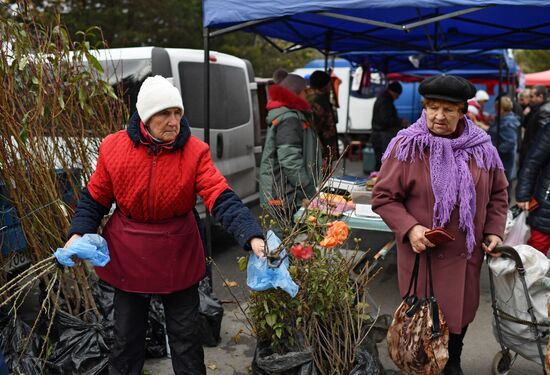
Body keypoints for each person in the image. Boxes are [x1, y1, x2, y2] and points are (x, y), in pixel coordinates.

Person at [64, 75, 265, 375]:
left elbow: (219, 196)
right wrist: (78, 233)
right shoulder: (113, 148)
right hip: (128, 253)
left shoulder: (195, 152)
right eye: (164, 114)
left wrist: (252, 236)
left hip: (177, 252)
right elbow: (95, 198)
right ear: (145, 116)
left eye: (178, 113)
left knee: (185, 339)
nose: (173, 121)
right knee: (126, 339)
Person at [372, 75, 508, 375]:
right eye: (432, 107)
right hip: (425, 258)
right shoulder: (407, 147)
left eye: (448, 109)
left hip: (467, 256)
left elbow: (498, 194)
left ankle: (453, 362)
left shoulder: (483, 148)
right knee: (427, 325)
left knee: (459, 318)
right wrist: (410, 228)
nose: (438, 116)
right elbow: (383, 197)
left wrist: (494, 230)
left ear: (463, 111)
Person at [259, 73, 321, 216]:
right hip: (283, 193)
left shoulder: (291, 114)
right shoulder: (289, 118)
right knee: (281, 236)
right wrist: (308, 189)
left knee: (284, 235)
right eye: (305, 91)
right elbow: (290, 159)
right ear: (297, 92)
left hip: (286, 192)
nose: (307, 94)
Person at [516, 122, 550, 256]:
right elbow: (532, 162)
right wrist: (523, 194)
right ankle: (528, 277)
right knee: (535, 253)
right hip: (546, 204)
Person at [307, 70, 339, 166]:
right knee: (322, 179)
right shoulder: (318, 100)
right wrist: (323, 154)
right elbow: (314, 129)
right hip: (322, 152)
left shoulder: (314, 97)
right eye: (329, 84)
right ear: (324, 85)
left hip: (323, 150)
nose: (330, 87)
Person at [371, 81, 405, 171]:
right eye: (397, 95)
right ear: (393, 92)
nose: (397, 98)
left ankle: (378, 180)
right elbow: (385, 120)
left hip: (379, 135)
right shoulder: (385, 101)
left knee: (380, 162)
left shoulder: (384, 98)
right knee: (382, 163)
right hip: (381, 137)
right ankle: (379, 182)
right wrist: (400, 122)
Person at [488, 96, 519, 193]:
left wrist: (495, 151)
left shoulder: (507, 122)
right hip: (502, 161)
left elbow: (509, 143)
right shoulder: (504, 119)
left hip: (503, 161)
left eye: (497, 108)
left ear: (502, 109)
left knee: (502, 186)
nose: (495, 110)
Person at [519, 85, 550, 168]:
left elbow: (542, 139)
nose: (529, 99)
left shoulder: (544, 110)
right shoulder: (537, 109)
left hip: (532, 157)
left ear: (540, 97)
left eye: (532, 96)